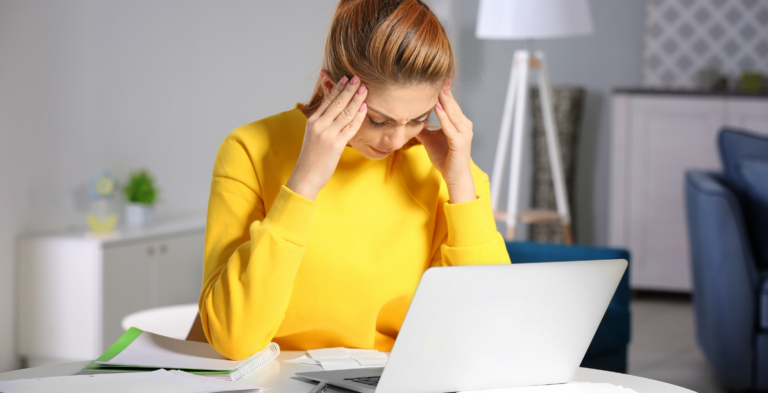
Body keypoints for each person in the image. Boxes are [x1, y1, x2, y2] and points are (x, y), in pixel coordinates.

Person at [198, 0, 511, 360]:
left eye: (418, 118)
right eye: (378, 120)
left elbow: (493, 331)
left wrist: (460, 184)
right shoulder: (250, 150)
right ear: (331, 87)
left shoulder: (447, 170)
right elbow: (234, 338)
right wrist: (304, 184)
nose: (396, 140)